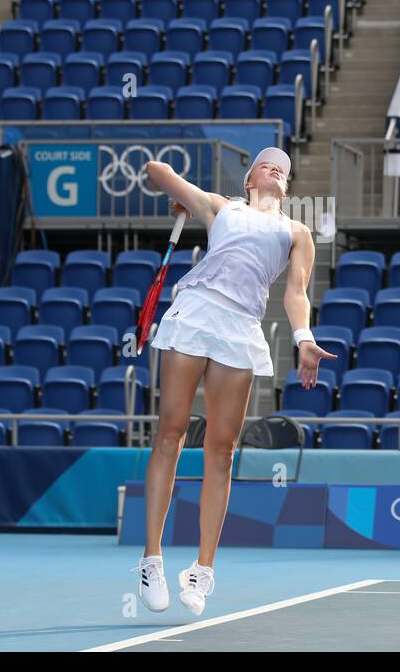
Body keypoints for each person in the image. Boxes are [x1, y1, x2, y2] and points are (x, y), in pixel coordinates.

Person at [136, 147, 335, 616]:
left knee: (222, 449)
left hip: (241, 329)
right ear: (249, 179)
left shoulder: (296, 232)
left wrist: (304, 339)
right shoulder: (219, 206)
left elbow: (295, 293)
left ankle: (203, 570)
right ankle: (152, 558)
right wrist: (179, 196)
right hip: (197, 311)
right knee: (172, 431)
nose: (275, 170)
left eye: (283, 170)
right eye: (267, 164)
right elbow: (156, 169)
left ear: (286, 188)